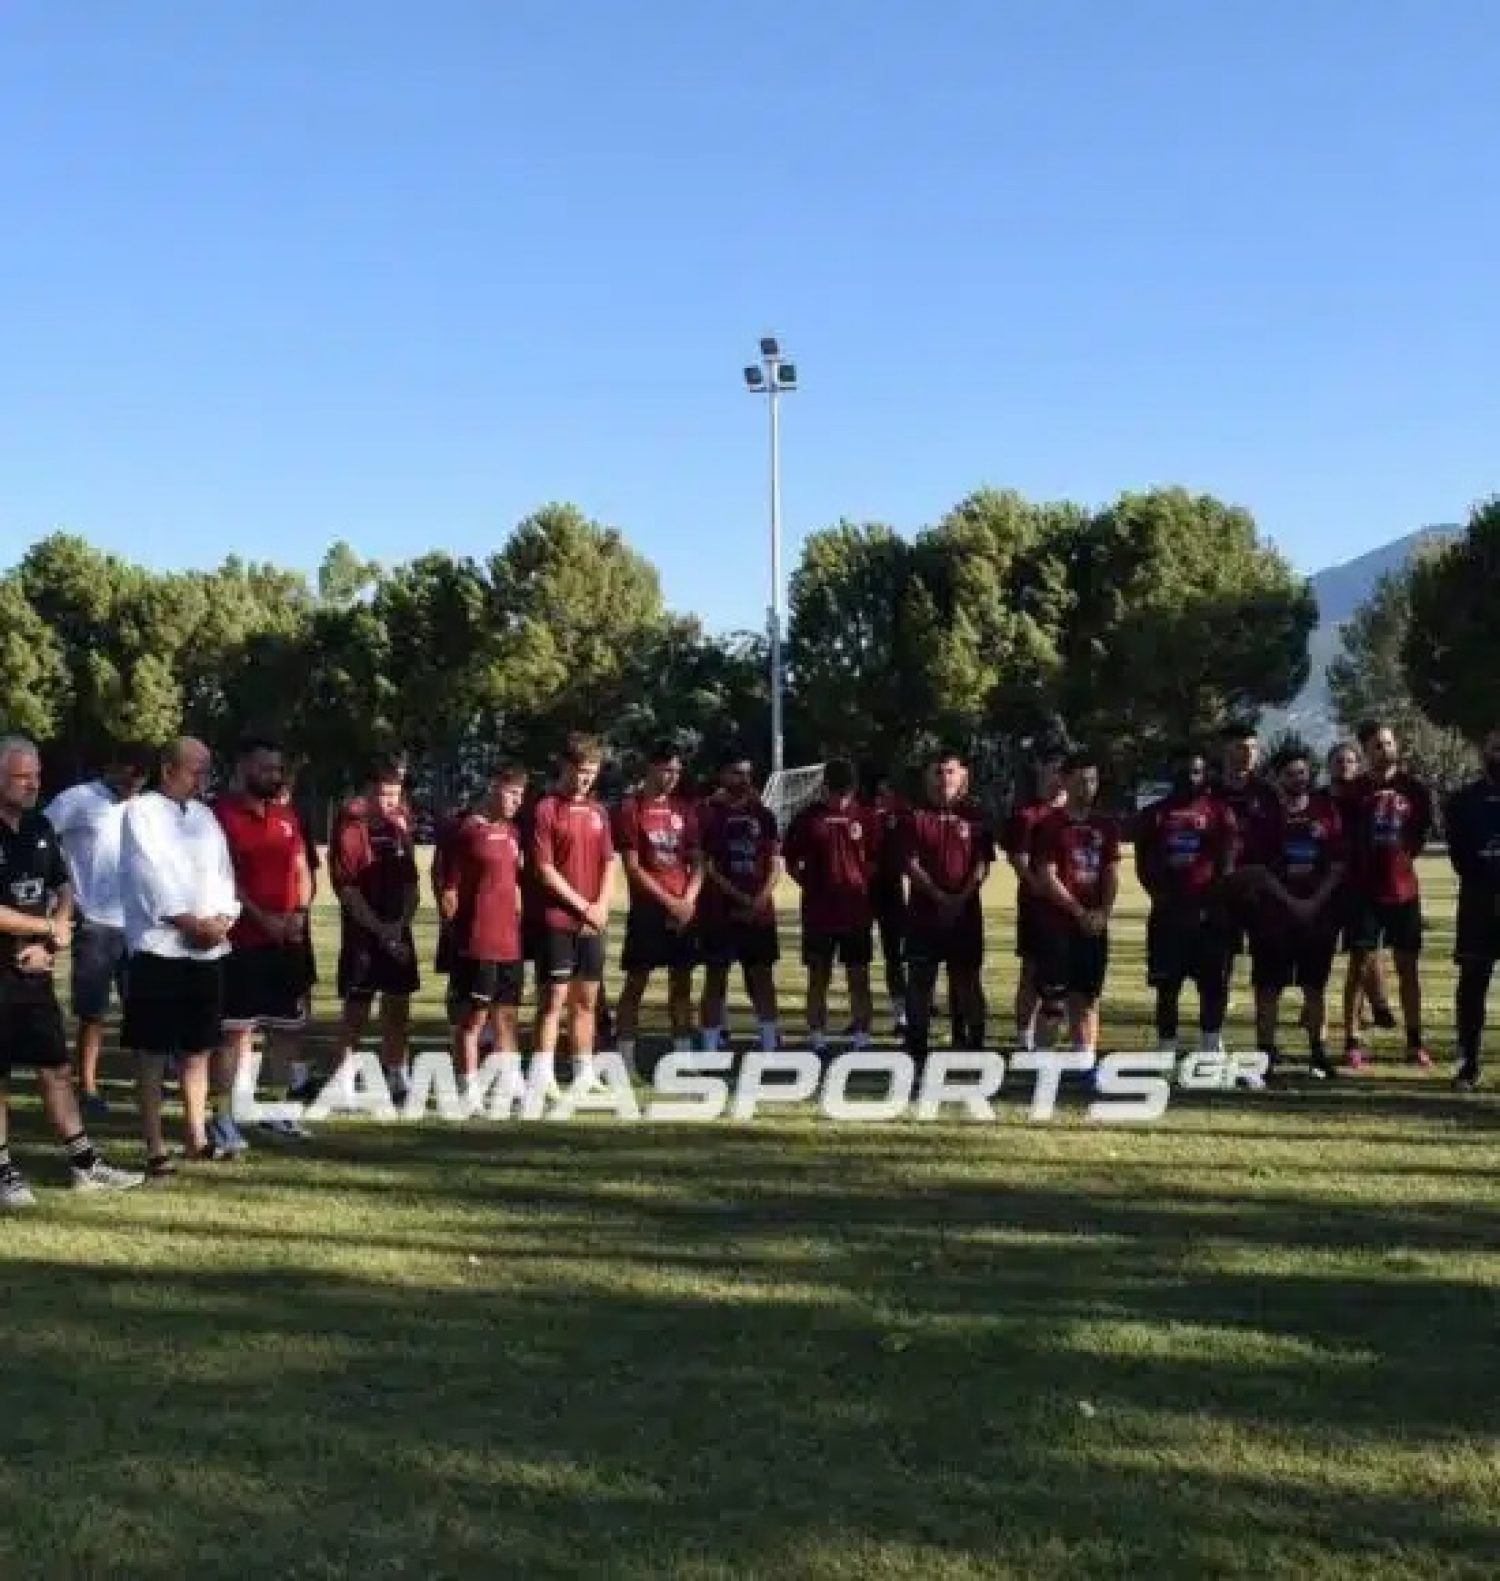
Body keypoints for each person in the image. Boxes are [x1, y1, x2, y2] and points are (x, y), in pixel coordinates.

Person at [0, 735, 142, 1208]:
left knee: (56, 1068)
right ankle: (3, 1171)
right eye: (22, 777)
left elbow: (62, 886)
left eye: (36, 776)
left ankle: (84, 1163)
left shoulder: (39, 825)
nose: (32, 785)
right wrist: (47, 927)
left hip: (34, 971)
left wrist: (54, 933)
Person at [120, 737, 241, 1171]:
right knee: (152, 1051)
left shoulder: (206, 817)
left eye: (207, 770)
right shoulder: (142, 812)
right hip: (160, 949)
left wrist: (223, 919)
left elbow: (225, 875)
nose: (203, 779)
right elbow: (148, 877)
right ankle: (155, 1146)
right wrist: (191, 923)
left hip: (207, 953)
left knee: (199, 1048)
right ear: (169, 769)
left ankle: (197, 1136)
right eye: (196, 770)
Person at [213, 736, 316, 1145]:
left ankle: (277, 1111)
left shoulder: (286, 815)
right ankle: (223, 1117)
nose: (274, 776)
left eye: (277, 769)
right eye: (265, 768)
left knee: (287, 1029)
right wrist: (264, 920)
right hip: (242, 942)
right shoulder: (220, 815)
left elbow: (301, 868)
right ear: (243, 768)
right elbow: (225, 880)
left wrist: (299, 915)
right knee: (236, 1032)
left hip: (287, 941)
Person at [43, 739, 153, 1115]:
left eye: (140, 779)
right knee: (93, 1012)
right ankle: (87, 1087)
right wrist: (62, 893)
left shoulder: (143, 807)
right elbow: (41, 836)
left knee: (142, 1010)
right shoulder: (78, 800)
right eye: (128, 776)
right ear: (113, 766)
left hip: (137, 925)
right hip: (95, 923)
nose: (132, 785)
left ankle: (146, 1085)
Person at [1242, 747, 1346, 1080]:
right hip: (1273, 917)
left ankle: (1318, 1052)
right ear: (1276, 778)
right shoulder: (1265, 816)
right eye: (1290, 774)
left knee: (1314, 988)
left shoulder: (1325, 810)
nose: (1298, 779)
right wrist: (1290, 901)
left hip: (1317, 916)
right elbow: (1259, 869)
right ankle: (1265, 1054)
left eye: (1302, 772)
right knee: (1268, 988)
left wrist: (1314, 901)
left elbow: (1337, 865)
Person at [1339, 722, 1433, 1070]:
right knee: (1359, 966)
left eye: (1389, 743)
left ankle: (1415, 1042)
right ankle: (1352, 1041)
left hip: (1403, 891)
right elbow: (1345, 837)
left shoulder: (1415, 790)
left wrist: (1402, 861)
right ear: (1366, 751)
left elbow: (1419, 835)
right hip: (1364, 892)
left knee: (1408, 968)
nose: (1385, 750)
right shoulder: (1354, 791)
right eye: (1377, 745)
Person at [1134, 747, 1237, 1055]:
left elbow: (1227, 864)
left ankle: (1210, 1047)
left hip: (1209, 918)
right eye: (1183, 771)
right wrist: (1163, 899)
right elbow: (1144, 865)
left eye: (1196, 771)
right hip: (1168, 917)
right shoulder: (1154, 814)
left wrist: (1211, 903)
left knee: (1213, 986)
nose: (1189, 778)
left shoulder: (1220, 812)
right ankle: (1166, 1049)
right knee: (1167, 988)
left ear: (1205, 775)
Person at [331, 755, 421, 1103]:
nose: (390, 802)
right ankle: (343, 1080)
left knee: (398, 1010)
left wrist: (400, 925)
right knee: (356, 1011)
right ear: (368, 792)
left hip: (398, 930)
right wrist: (383, 932)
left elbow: (412, 883)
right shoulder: (350, 829)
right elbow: (348, 891)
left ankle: (396, 1074)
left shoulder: (400, 828)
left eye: (395, 795)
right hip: (364, 935)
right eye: (384, 795)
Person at [613, 742, 704, 1072]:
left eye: (677, 771)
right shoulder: (631, 808)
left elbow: (698, 862)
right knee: (636, 983)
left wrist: (688, 900)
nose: (673, 776)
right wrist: (669, 902)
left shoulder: (684, 808)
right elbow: (633, 867)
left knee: (682, 986)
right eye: (667, 770)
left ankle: (683, 1058)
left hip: (683, 911)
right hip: (648, 911)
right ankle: (625, 1060)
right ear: (651, 768)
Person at [898, 748, 993, 1063]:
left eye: (950, 771)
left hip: (965, 915)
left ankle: (973, 1043)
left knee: (968, 980)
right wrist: (939, 896)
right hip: (924, 915)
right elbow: (910, 864)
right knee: (920, 980)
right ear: (927, 777)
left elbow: (982, 863)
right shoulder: (914, 817)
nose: (944, 779)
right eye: (937, 772)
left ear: (963, 775)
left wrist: (962, 897)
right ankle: (917, 1047)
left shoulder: (976, 817)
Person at [531, 734, 614, 1091]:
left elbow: (608, 862)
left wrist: (602, 905)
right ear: (566, 767)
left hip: (593, 921)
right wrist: (582, 906)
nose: (586, 779)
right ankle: (542, 1073)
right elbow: (544, 869)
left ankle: (584, 1071)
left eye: (592, 772)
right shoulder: (546, 808)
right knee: (553, 999)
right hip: (558, 919)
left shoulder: (598, 811)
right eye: (581, 771)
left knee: (587, 1000)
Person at [783, 759, 878, 1056]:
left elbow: (875, 860)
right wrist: (811, 886)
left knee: (859, 978)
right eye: (835, 793)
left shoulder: (866, 817)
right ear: (825, 788)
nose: (840, 800)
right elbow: (791, 862)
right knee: (818, 977)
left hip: (856, 912)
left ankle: (862, 1038)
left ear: (854, 789)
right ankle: (817, 1037)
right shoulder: (807, 819)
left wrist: (857, 883)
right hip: (819, 913)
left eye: (845, 793)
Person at [438, 765, 527, 1080]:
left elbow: (514, 885)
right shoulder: (466, 831)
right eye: (512, 793)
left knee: (507, 1019)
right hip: (478, 943)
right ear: (494, 787)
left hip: (509, 944)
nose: (517, 801)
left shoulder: (513, 832)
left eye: (521, 795)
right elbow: (448, 890)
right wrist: (456, 935)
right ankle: (469, 1087)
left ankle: (509, 1083)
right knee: (472, 1021)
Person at [1031, 751, 1121, 1060]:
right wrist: (1078, 911)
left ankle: (1084, 1061)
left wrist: (1103, 913)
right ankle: (1042, 1063)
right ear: (1065, 781)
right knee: (1053, 1002)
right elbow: (1047, 875)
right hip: (1058, 926)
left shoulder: (1105, 826)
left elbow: (1110, 872)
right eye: (1081, 780)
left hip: (1093, 926)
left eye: (1093, 780)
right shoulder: (1050, 825)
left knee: (1088, 998)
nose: (1088, 787)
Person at [698, 753, 782, 1054]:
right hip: (719, 911)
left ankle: (769, 1044)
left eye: (747, 773)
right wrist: (739, 897)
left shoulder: (764, 815)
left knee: (762, 978)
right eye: (736, 772)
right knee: (715, 978)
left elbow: (776, 863)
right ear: (722, 775)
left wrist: (759, 899)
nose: (743, 779)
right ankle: (710, 1045)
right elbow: (706, 865)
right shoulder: (709, 814)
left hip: (759, 913)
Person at [1443, 728, 1500, 1091]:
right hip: (1479, 904)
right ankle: (1468, 1062)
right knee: (1472, 983)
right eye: (1496, 748)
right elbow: (1460, 856)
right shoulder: (1464, 801)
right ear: (1484, 752)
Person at [1327, 739, 1394, 1035]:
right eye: (1339, 761)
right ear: (1329, 766)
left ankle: (1371, 1009)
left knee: (1363, 952)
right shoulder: (1320, 800)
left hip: (1361, 884)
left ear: (1359, 765)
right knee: (1322, 952)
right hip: (1325, 885)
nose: (1345, 766)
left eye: (1350, 761)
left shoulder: (1367, 799)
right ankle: (1315, 1014)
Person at [1211, 723, 1281, 1001]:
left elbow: (1279, 840)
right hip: (1219, 890)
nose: (1249, 754)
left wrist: (1265, 878)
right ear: (1225, 750)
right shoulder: (1210, 791)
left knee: (1267, 966)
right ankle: (1215, 1019)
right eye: (1241, 747)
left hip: (1260, 890)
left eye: (1253, 748)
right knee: (1218, 964)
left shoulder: (1268, 793)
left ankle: (1265, 1024)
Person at [1003, 750, 1066, 1052]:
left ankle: (1059, 1036)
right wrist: (1040, 887)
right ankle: (1024, 1036)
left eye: (1061, 772)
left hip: (1071, 911)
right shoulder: (1028, 815)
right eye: (1051, 771)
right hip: (1037, 909)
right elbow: (1018, 859)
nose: (1056, 778)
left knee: (1069, 975)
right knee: (1031, 971)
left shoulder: (1076, 815)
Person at [865, 765, 909, 1037]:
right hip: (862, 890)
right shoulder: (861, 814)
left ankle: (901, 1013)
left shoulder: (901, 814)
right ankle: (861, 1015)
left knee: (895, 955)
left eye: (888, 791)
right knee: (858, 959)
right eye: (879, 792)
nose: (884, 796)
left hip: (891, 889)